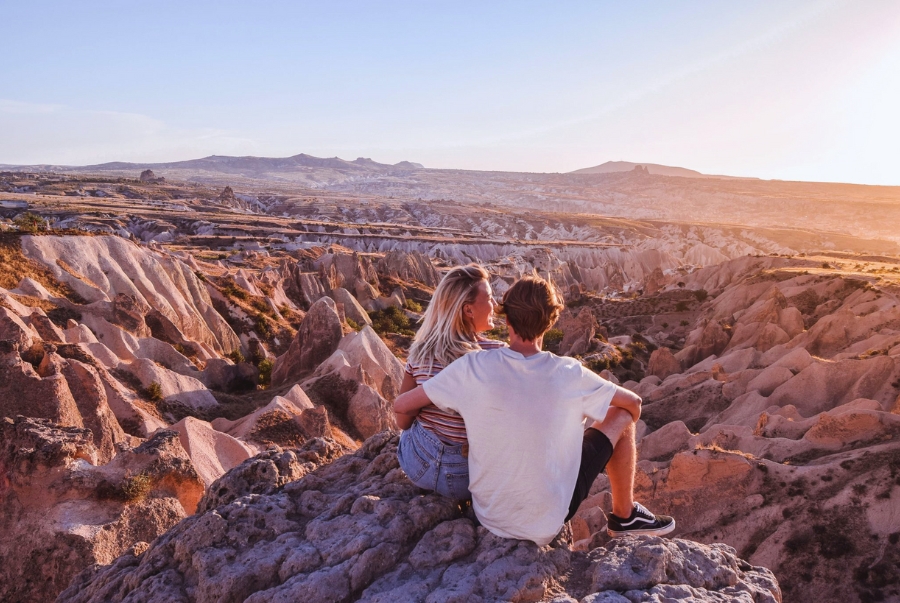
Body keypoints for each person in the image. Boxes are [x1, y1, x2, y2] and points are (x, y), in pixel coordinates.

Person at [394, 275, 675, 545]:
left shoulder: (473, 366)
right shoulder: (570, 372)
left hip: (488, 516)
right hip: (548, 522)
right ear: (551, 321)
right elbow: (634, 404)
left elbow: (402, 405)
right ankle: (625, 516)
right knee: (621, 416)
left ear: (507, 319)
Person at [394, 264, 505, 500]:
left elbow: (402, 422)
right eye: (490, 298)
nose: (495, 305)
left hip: (418, 467)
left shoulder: (420, 352)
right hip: (469, 478)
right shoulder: (497, 355)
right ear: (468, 310)